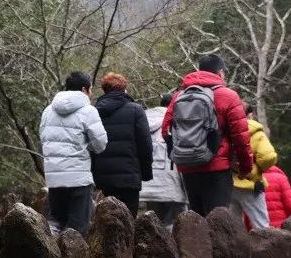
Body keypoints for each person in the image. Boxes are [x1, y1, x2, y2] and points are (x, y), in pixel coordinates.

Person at [161, 54, 253, 216]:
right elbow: (241, 137)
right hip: (217, 168)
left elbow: (166, 130)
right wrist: (245, 167)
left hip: (188, 167)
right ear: (220, 72)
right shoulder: (228, 96)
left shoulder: (179, 96)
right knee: (217, 219)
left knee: (196, 220)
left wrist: (183, 152)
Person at [40, 71, 108, 236]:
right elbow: (100, 144)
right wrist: (87, 146)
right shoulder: (89, 111)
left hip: (54, 176)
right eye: (91, 89)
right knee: (77, 228)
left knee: (55, 223)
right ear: (85, 89)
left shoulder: (48, 110)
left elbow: (43, 139)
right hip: (78, 177)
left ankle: (49, 250)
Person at [90, 72, 152, 215]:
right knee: (129, 218)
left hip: (103, 176)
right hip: (129, 176)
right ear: (124, 89)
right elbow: (145, 143)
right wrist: (145, 173)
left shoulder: (94, 111)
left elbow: (91, 145)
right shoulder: (135, 109)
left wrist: (94, 174)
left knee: (109, 218)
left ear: (104, 90)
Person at [139, 93, 188, 229]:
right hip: (171, 181)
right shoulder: (177, 122)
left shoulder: (143, 120)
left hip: (148, 183)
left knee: (155, 221)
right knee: (176, 223)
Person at [230, 104, 277, 230]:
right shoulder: (256, 132)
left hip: (229, 185)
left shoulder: (226, 130)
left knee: (233, 229)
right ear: (249, 114)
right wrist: (259, 169)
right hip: (251, 185)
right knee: (261, 226)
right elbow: (268, 157)